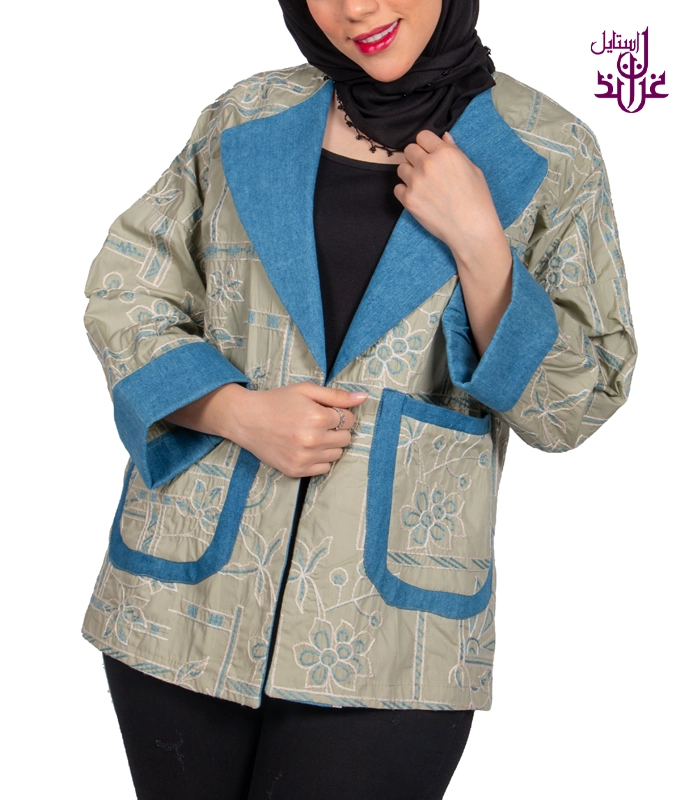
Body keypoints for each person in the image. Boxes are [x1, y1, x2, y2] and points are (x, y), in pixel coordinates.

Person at [81, 1, 637, 798]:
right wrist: (236, 411)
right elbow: (128, 292)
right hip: (184, 601)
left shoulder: (551, 151)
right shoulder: (246, 115)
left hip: (390, 633)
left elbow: (578, 402)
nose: (357, 8)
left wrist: (482, 247)